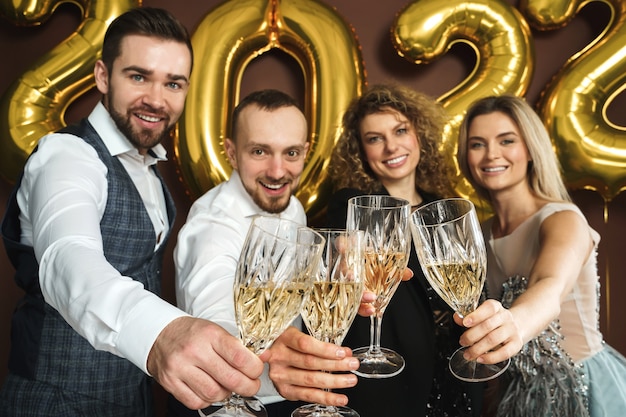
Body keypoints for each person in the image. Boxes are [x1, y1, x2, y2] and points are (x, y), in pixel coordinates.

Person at [0, 8, 268, 416]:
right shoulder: (67, 155)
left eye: (173, 84)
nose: (156, 100)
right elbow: (67, 258)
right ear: (104, 76)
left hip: (134, 400)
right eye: (139, 76)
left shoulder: (148, 168)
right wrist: (162, 331)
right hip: (56, 402)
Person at [171, 89, 362, 417]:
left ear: (305, 152)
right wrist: (274, 346)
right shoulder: (212, 223)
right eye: (259, 151)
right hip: (221, 405)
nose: (277, 171)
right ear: (231, 153)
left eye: (290, 153)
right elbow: (214, 315)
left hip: (285, 398)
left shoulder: (293, 208)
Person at [455, 94, 626, 417]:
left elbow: (550, 286)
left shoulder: (562, 218)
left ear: (531, 149)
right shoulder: (477, 233)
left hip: (584, 392)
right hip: (514, 397)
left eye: (507, 141)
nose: (491, 154)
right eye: (477, 144)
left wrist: (515, 323)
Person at [326, 83, 483, 417]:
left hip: (457, 373)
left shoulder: (444, 210)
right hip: (396, 381)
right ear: (361, 151)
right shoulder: (350, 204)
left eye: (400, 130)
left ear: (419, 135)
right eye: (374, 138)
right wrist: (345, 252)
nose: (390, 146)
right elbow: (345, 239)